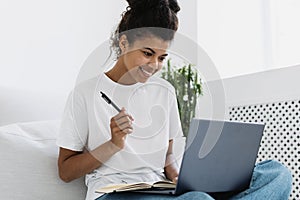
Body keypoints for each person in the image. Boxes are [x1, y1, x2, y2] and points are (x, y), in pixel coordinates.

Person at [56, 0, 293, 199]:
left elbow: (168, 156)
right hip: (114, 193)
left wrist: (179, 177)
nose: (155, 66)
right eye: (148, 54)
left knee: (276, 173)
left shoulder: (165, 91)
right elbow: (66, 171)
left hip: (161, 190)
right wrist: (113, 144)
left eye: (162, 57)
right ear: (124, 42)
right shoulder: (84, 94)